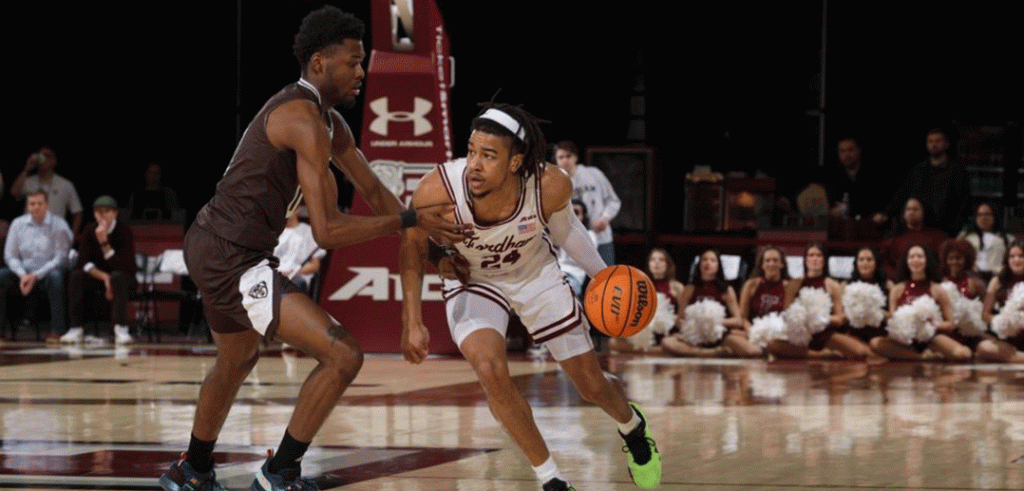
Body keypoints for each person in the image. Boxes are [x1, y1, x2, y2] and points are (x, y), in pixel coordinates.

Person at [158, 7, 471, 491]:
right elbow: (327, 233)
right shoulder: (301, 118)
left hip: (222, 248)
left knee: (237, 359)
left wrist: (429, 249)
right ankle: (278, 472)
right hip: (229, 255)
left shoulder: (329, 124)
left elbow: (372, 191)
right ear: (320, 63)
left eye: (363, 61)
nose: (362, 72)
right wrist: (410, 219)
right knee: (343, 353)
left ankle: (191, 468)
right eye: (353, 62)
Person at [400, 103, 662, 491]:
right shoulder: (437, 190)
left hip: (533, 274)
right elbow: (412, 247)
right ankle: (551, 479)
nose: (474, 164)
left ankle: (632, 427)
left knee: (590, 385)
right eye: (472, 151)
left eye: (488, 156)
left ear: (515, 161)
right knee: (491, 372)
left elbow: (569, 234)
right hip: (474, 279)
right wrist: (413, 320)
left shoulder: (549, 185)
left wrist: (604, 278)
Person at [767, 243, 874, 360]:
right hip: (800, 335)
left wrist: (819, 319)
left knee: (861, 352)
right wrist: (800, 319)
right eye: (811, 255)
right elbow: (786, 312)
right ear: (806, 260)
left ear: (824, 260)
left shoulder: (833, 285)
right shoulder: (794, 284)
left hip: (825, 334)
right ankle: (821, 355)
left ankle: (819, 352)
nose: (815, 259)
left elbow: (840, 317)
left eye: (819, 255)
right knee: (773, 345)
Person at [869, 245, 972, 361]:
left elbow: (951, 324)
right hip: (905, 339)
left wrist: (932, 325)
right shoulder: (897, 289)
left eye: (920, 256)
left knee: (963, 354)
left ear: (927, 261)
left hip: (932, 338)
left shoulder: (938, 289)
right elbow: (892, 318)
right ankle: (920, 357)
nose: (915, 260)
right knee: (875, 343)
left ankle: (931, 351)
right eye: (911, 257)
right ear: (906, 262)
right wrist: (880, 313)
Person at [60, 196, 138, 345]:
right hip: (99, 277)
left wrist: (103, 242)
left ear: (115, 213)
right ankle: (76, 328)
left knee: (117, 276)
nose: (102, 215)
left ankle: (121, 328)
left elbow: (123, 266)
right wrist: (105, 278)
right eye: (98, 212)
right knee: (76, 276)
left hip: (124, 279)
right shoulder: (89, 229)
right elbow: (83, 262)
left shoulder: (124, 231)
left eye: (106, 211)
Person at [0, 190, 72, 343]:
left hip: (47, 271)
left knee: (56, 277)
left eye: (40, 203)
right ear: (28, 206)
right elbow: (10, 256)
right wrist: (22, 275)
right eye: (32, 204)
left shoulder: (59, 225)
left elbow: (60, 257)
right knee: (1, 276)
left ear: (47, 205)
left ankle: (57, 330)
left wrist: (36, 276)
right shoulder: (18, 224)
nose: (36, 207)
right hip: (24, 272)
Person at [661, 248, 755, 357]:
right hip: (694, 336)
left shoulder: (727, 290)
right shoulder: (689, 289)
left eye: (712, 260)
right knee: (667, 343)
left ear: (718, 265)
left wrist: (714, 322)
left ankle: (704, 352)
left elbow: (738, 321)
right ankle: (710, 353)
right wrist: (694, 325)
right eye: (704, 260)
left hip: (721, 335)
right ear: (699, 265)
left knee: (750, 350)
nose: (708, 263)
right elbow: (679, 320)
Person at [879, 128, 971, 236]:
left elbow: (963, 201)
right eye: (930, 141)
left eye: (938, 141)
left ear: (946, 144)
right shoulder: (919, 169)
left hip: (945, 229)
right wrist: (887, 213)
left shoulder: (957, 170)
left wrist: (955, 227)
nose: (934, 144)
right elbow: (902, 193)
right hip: (919, 228)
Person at [553, 140, 621, 267]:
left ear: (575, 157)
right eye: (560, 157)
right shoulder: (555, 182)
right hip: (572, 241)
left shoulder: (593, 174)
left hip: (600, 236)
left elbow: (613, 200)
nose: (565, 160)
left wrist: (605, 218)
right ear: (556, 160)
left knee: (606, 278)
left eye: (568, 156)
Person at [11, 146, 84, 234]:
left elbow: (77, 212)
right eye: (41, 155)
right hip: (29, 234)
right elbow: (14, 193)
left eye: (47, 155)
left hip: (55, 236)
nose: (43, 158)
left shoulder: (65, 184)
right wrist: (27, 168)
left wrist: (72, 236)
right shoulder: (29, 181)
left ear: (54, 162)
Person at [977, 241, 1024, 362]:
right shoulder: (997, 281)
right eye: (1012, 256)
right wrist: (1002, 322)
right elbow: (985, 315)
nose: (1016, 260)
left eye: (1021, 256)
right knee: (983, 348)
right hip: (1008, 340)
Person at [882, 197, 948, 278]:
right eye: (908, 209)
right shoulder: (893, 238)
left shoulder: (937, 237)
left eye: (915, 209)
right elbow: (885, 264)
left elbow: (944, 263)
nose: (911, 212)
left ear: (924, 212)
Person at [840, 246, 891, 344]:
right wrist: (854, 312)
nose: (865, 263)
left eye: (869, 259)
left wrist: (875, 312)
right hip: (853, 333)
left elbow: (892, 316)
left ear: (876, 263)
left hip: (880, 334)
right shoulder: (845, 285)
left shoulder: (888, 285)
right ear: (856, 263)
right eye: (861, 259)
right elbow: (841, 316)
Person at [825, 137, 885, 219]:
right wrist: (833, 210)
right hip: (845, 224)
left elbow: (875, 203)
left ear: (859, 150)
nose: (847, 155)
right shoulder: (833, 177)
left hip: (870, 222)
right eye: (842, 151)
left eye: (850, 150)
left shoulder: (873, 174)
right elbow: (832, 203)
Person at [273, 205, 325, 293]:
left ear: (298, 209)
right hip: (273, 276)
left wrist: (293, 272)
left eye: (290, 209)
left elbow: (315, 266)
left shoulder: (308, 232)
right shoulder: (274, 232)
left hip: (295, 278)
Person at [739, 245, 789, 328]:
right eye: (767, 260)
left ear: (782, 264)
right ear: (762, 265)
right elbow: (743, 318)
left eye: (775, 260)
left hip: (779, 333)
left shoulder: (789, 287)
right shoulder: (751, 285)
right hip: (754, 331)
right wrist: (752, 332)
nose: (771, 264)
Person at [554, 200, 596, 298]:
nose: (572, 216)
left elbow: (579, 257)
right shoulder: (557, 232)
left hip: (572, 277)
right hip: (553, 274)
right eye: (569, 213)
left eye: (576, 213)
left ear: (583, 217)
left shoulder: (590, 235)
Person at [957, 202, 1008, 281]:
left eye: (987, 214)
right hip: (972, 279)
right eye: (980, 215)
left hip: (998, 279)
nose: (984, 218)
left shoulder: (1007, 239)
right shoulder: (966, 240)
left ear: (994, 216)